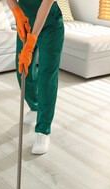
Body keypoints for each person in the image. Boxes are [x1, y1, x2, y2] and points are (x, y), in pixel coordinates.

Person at [7, 0, 65, 154]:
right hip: (26, 23)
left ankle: (43, 131)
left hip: (50, 26)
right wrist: (17, 13)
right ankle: (35, 106)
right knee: (22, 71)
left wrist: (32, 39)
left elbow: (46, 4)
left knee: (46, 78)